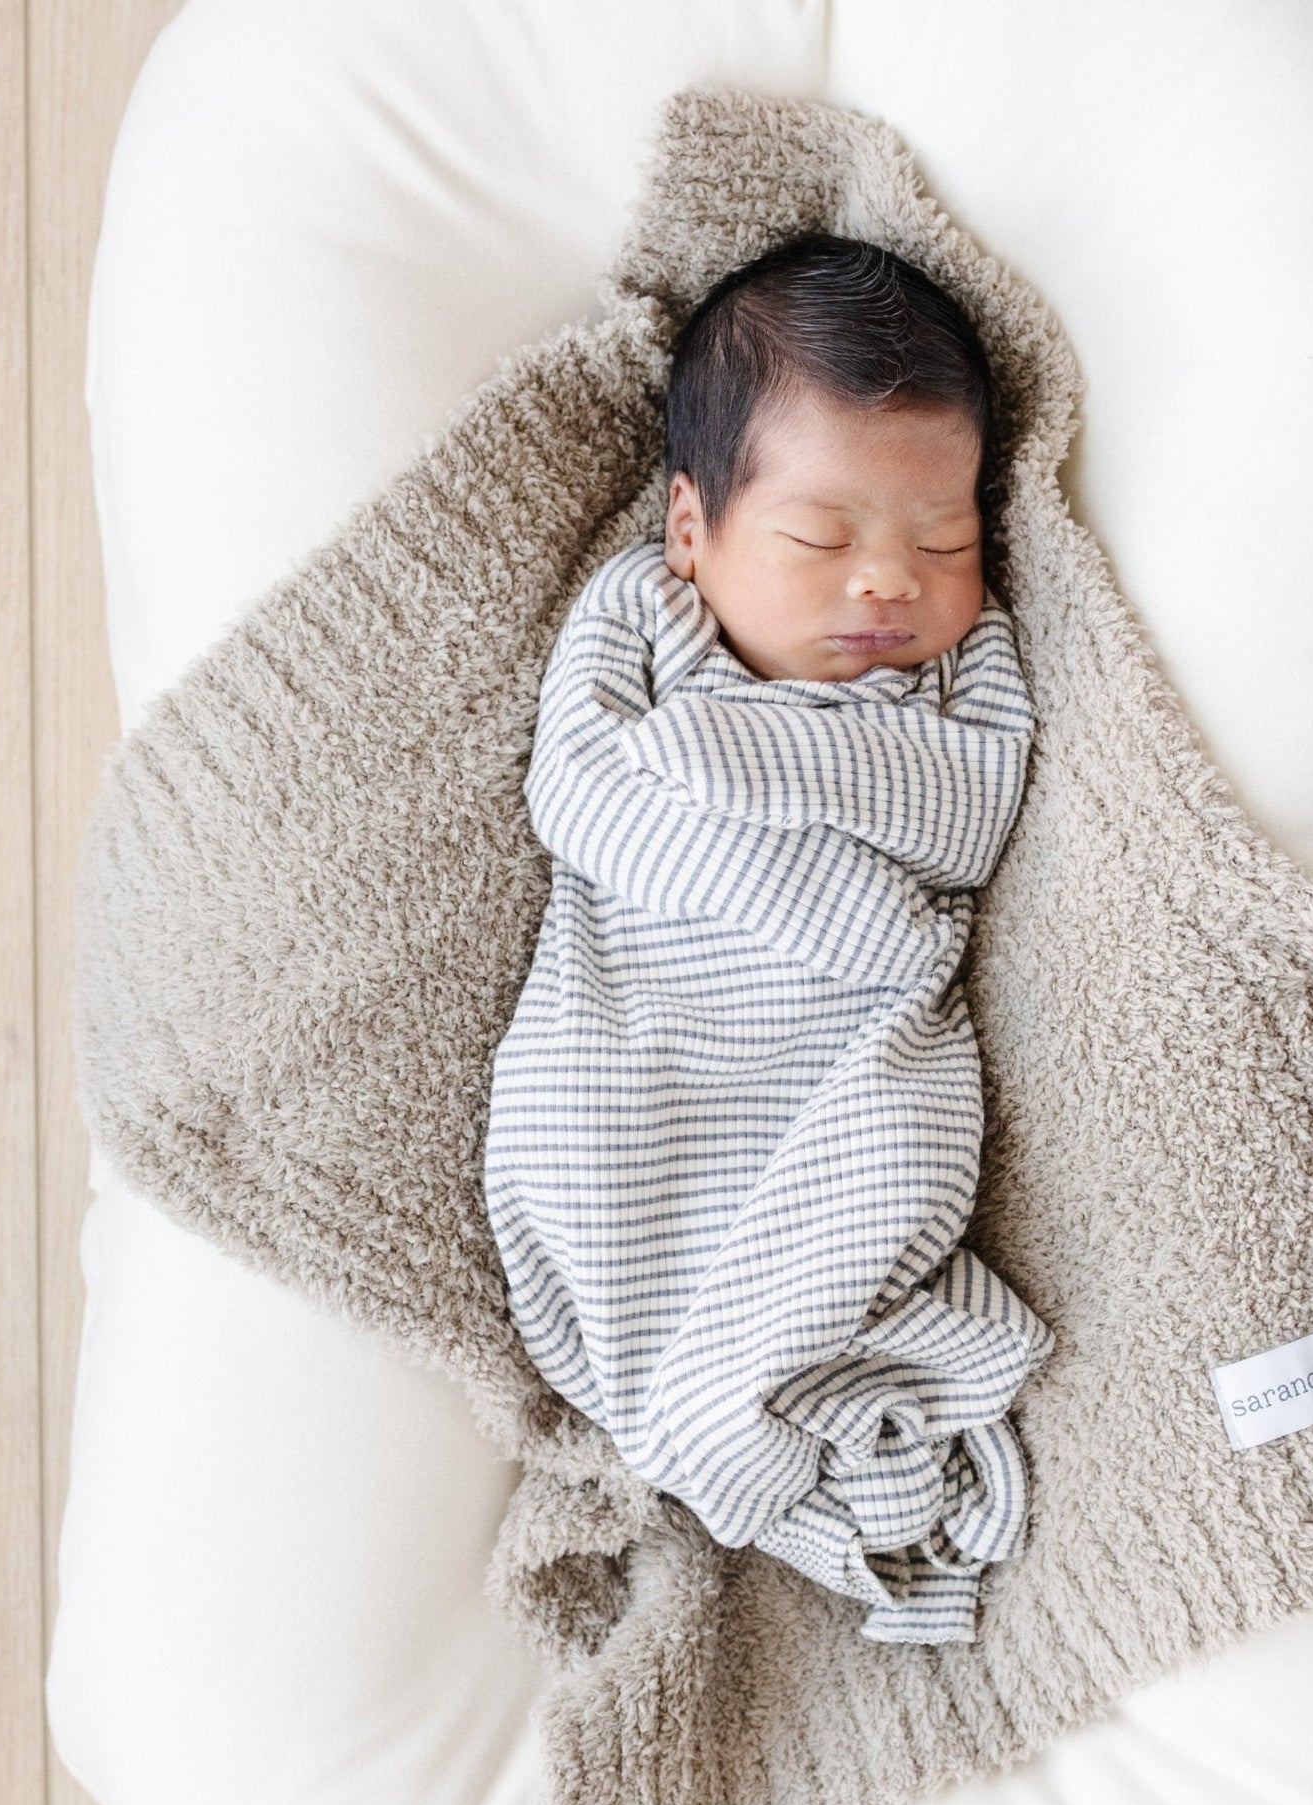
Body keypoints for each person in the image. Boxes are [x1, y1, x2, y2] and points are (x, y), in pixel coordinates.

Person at [481, 233, 1052, 1644]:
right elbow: (577, 795)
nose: (889, 584)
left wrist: (762, 759)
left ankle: (740, 1439)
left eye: (944, 541)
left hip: (854, 1054)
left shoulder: (963, 674)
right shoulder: (642, 618)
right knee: (568, 1138)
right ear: (694, 529)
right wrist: (777, 861)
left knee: (904, 1154)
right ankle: (723, 1427)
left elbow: (971, 818)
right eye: (822, 539)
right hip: (644, 1022)